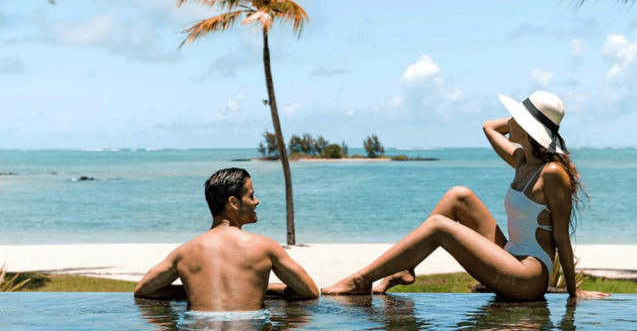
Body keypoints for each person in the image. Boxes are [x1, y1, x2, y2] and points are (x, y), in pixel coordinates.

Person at [322, 91, 609, 300]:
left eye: (518, 117)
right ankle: (406, 269)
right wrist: (522, 120)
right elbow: (488, 126)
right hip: (509, 254)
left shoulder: (552, 174)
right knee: (459, 195)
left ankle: (361, 280)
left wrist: (574, 292)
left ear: (532, 129)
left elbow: (561, 237)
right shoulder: (523, 160)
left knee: (439, 227)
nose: (511, 121)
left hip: (529, 277)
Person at [134, 167, 319, 311]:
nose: (257, 201)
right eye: (251, 195)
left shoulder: (184, 252)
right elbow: (310, 291)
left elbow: (143, 290)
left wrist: (196, 291)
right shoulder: (266, 248)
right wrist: (264, 290)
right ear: (233, 203)